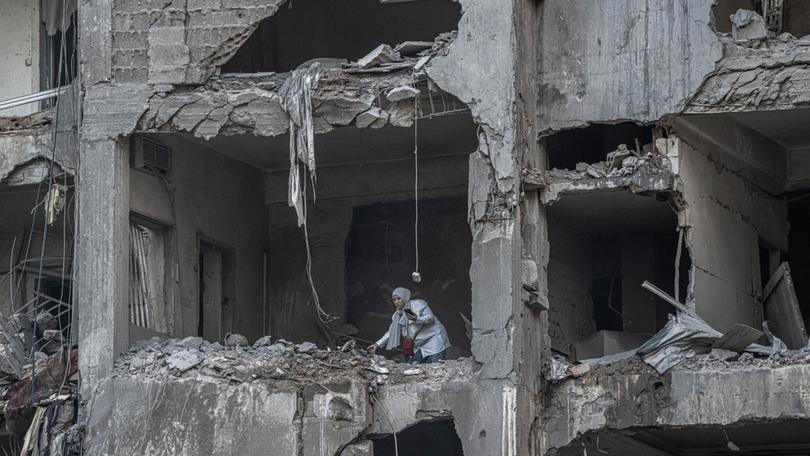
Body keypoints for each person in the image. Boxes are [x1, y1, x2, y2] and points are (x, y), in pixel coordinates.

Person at [367, 287, 450, 364]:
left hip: (433, 339)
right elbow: (391, 332)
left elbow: (431, 318)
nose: (396, 302)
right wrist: (376, 345)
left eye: (399, 298)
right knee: (411, 367)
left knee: (437, 366)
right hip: (420, 345)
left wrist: (417, 319)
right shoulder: (397, 315)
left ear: (404, 297)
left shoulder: (418, 304)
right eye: (394, 300)